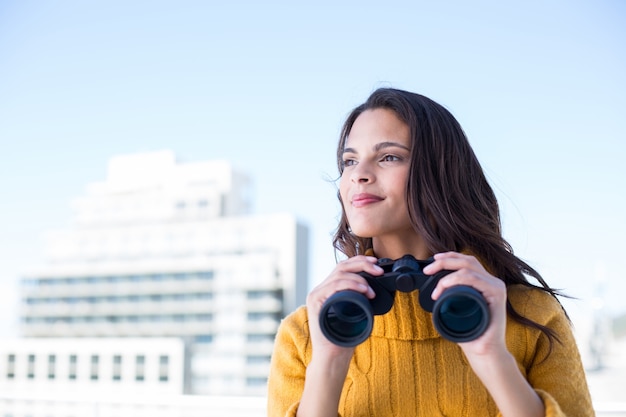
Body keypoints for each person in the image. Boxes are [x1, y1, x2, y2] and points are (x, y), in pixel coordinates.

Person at [267, 88, 594, 417]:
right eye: (349, 160)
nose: (358, 174)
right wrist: (328, 363)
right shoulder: (304, 332)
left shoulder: (534, 316)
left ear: (440, 172)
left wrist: (492, 358)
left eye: (388, 157)